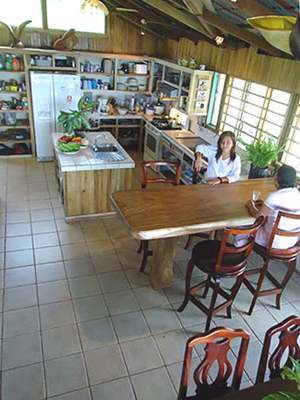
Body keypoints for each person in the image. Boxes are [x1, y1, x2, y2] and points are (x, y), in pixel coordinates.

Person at [237, 165, 300, 250]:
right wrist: (265, 205)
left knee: (241, 231)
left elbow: (258, 216)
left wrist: (250, 205)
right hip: (291, 241)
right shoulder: (296, 193)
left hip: (273, 241)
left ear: (276, 178)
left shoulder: (275, 196)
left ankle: (240, 254)